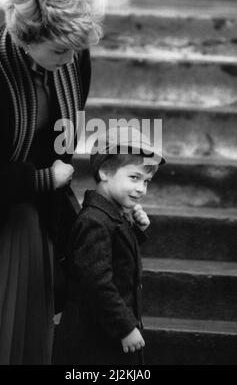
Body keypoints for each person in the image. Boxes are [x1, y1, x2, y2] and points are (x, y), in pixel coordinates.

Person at [0, 0, 102, 365]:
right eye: (61, 50)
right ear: (27, 36)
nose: (70, 60)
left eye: (76, 50)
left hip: (38, 216)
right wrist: (44, 178)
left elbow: (63, 130)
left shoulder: (72, 54)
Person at [53, 126, 165, 365]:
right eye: (134, 177)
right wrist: (125, 327)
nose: (141, 189)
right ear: (105, 172)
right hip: (93, 342)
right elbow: (97, 282)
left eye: (147, 182)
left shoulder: (112, 216)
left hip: (105, 336)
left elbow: (117, 256)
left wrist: (136, 230)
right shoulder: (94, 221)